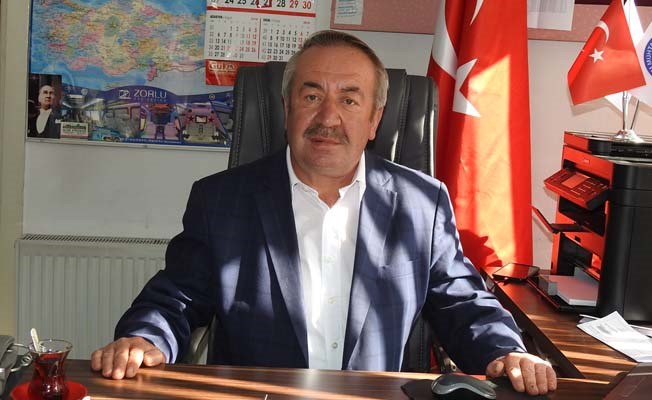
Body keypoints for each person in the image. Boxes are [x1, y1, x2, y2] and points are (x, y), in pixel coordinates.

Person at [91, 30, 556, 395]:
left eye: (349, 99)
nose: (328, 117)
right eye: (312, 96)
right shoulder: (222, 200)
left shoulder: (421, 203)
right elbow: (176, 296)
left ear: (375, 119)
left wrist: (506, 352)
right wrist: (145, 339)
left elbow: (461, 300)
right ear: (287, 108)